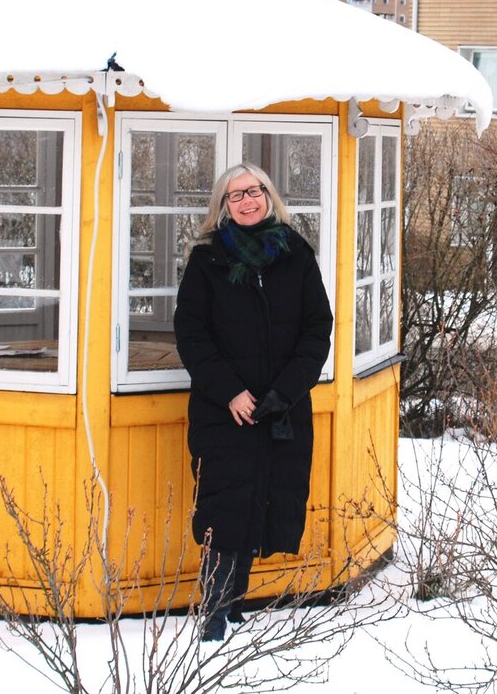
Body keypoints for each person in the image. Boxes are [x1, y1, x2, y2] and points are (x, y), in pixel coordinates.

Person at [173, 161, 334, 642]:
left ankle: (235, 604)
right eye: (236, 195)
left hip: (280, 409)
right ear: (223, 207)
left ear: (269, 195)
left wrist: (285, 391)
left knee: (265, 498)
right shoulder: (208, 261)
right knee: (225, 506)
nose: (247, 200)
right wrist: (230, 393)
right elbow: (192, 334)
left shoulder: (296, 254)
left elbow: (316, 328)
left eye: (254, 191)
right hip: (224, 412)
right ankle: (216, 611)